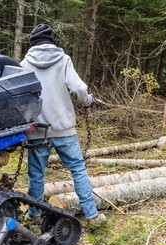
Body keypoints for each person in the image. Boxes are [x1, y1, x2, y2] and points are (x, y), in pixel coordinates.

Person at [20, 24, 107, 229]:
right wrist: (88, 101)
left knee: (36, 174)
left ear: (32, 43)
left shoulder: (24, 64)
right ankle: (92, 216)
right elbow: (77, 89)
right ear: (51, 41)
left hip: (37, 129)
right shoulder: (63, 59)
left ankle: (34, 214)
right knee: (77, 169)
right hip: (64, 127)